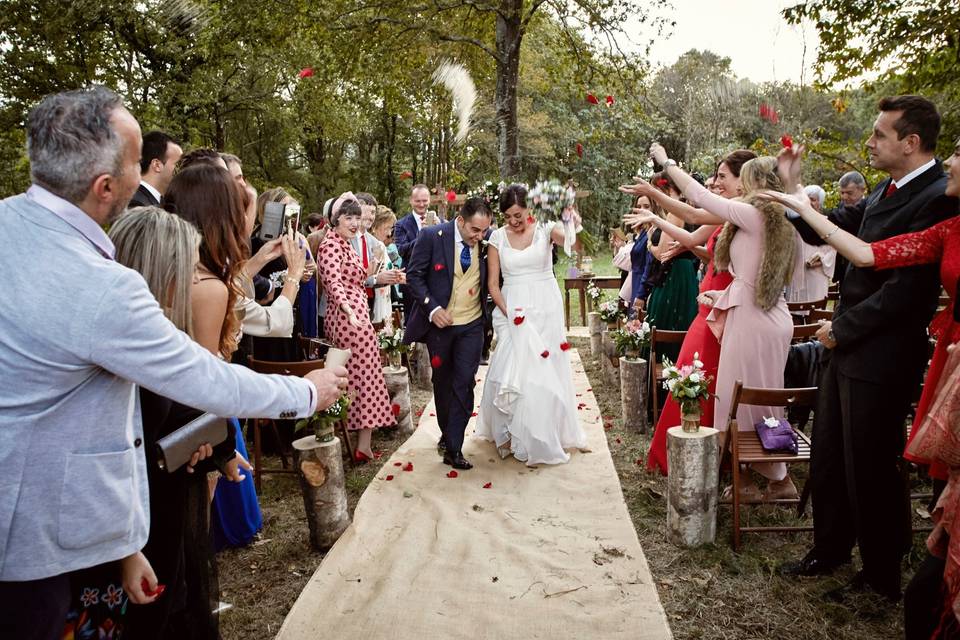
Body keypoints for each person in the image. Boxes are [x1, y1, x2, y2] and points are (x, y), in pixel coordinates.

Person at [0, 86, 346, 640]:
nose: (150, 179)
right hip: (40, 549)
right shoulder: (99, 286)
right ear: (106, 186)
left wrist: (124, 548)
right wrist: (309, 392)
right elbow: (201, 375)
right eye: (139, 162)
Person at [759, 137, 958, 628]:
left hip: (883, 352)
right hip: (846, 346)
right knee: (829, 452)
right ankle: (829, 550)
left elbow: (906, 293)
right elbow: (838, 234)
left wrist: (842, 329)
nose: (869, 143)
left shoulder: (936, 195)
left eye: (880, 135)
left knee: (870, 461)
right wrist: (791, 186)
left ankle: (881, 570)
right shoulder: (886, 191)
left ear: (910, 141)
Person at [107, 207, 240, 639]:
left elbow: (173, 412)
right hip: (132, 523)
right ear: (162, 269)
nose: (192, 277)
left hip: (164, 504)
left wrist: (208, 447)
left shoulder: (158, 326)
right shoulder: (120, 340)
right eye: (186, 265)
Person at [645, 144, 798, 500]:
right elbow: (753, 276)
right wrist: (722, 297)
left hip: (751, 319)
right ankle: (777, 479)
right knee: (760, 398)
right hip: (770, 313)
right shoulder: (778, 218)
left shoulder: (754, 213)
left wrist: (666, 162)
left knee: (734, 398)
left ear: (756, 183)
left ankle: (747, 479)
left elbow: (697, 197)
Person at [622, 149, 755, 476]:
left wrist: (658, 183)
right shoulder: (728, 214)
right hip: (706, 305)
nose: (716, 183)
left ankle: (705, 456)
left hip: (725, 310)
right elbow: (695, 233)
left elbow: (693, 212)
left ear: (744, 181)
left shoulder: (744, 212)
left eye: (723, 176)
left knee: (707, 381)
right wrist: (657, 217)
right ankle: (681, 453)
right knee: (690, 375)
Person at [476, 185, 587, 465]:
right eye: (508, 216)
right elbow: (492, 285)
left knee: (545, 368)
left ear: (529, 208)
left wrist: (571, 219)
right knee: (515, 367)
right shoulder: (497, 238)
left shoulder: (546, 228)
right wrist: (510, 313)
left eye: (518, 214)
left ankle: (545, 432)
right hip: (513, 306)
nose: (513, 221)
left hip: (546, 306)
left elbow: (572, 244)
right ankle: (513, 433)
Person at [403, 197, 493, 470]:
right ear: (461, 221)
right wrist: (432, 309)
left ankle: (454, 447)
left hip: (472, 325)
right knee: (442, 384)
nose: (480, 236)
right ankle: (447, 434)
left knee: (464, 383)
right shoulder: (431, 236)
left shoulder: (488, 245)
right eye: (475, 230)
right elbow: (414, 276)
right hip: (440, 328)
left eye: (484, 231)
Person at [317, 193, 399, 461]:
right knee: (357, 378)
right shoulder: (330, 245)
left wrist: (371, 270)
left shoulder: (345, 243)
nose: (354, 223)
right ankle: (348, 438)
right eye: (348, 218)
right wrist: (347, 310)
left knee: (366, 377)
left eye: (356, 217)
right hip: (347, 320)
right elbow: (333, 284)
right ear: (335, 220)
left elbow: (356, 278)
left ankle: (362, 443)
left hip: (359, 314)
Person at [785, 185, 836, 306]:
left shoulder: (828, 222)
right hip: (795, 274)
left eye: (813, 199)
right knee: (794, 312)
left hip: (816, 275)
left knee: (815, 313)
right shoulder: (794, 223)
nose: (810, 203)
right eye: (807, 199)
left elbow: (835, 249)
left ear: (820, 202)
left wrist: (822, 260)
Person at [395, 184, 433, 322]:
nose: (422, 204)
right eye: (418, 201)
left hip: (434, 281)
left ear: (429, 200)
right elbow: (402, 251)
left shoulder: (440, 223)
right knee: (412, 322)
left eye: (425, 200)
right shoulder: (401, 224)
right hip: (410, 281)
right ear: (411, 201)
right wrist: (423, 235)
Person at [130, 130, 182, 207]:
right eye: (178, 164)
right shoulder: (137, 205)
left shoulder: (155, 202)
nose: (183, 170)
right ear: (157, 165)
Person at [370, 205, 400, 327]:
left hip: (385, 300)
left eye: (391, 229)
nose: (389, 233)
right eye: (387, 228)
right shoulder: (372, 246)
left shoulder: (382, 246)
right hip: (374, 302)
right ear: (375, 227)